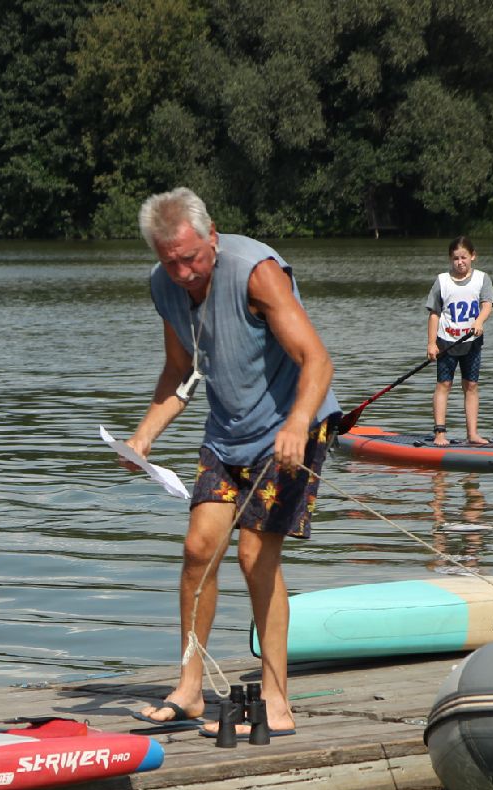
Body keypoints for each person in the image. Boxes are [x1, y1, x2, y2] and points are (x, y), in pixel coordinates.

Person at [122, 187, 341, 736]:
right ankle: (190, 690)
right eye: (170, 261)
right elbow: (179, 369)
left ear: (212, 236)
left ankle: (275, 703)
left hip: (292, 428)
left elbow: (317, 359)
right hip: (226, 434)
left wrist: (296, 425)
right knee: (198, 549)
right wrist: (143, 437)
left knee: (253, 557)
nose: (184, 272)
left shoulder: (256, 273)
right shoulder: (164, 286)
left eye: (192, 258)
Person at [425, 237, 493, 447]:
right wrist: (431, 343)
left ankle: (472, 434)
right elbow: (434, 314)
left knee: (471, 385)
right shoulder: (442, 281)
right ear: (450, 259)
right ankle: (439, 433)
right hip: (447, 341)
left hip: (472, 341)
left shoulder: (482, 279)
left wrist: (479, 321)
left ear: (473, 256)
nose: (460, 262)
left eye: (464, 257)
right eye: (455, 258)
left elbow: (487, 304)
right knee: (444, 384)